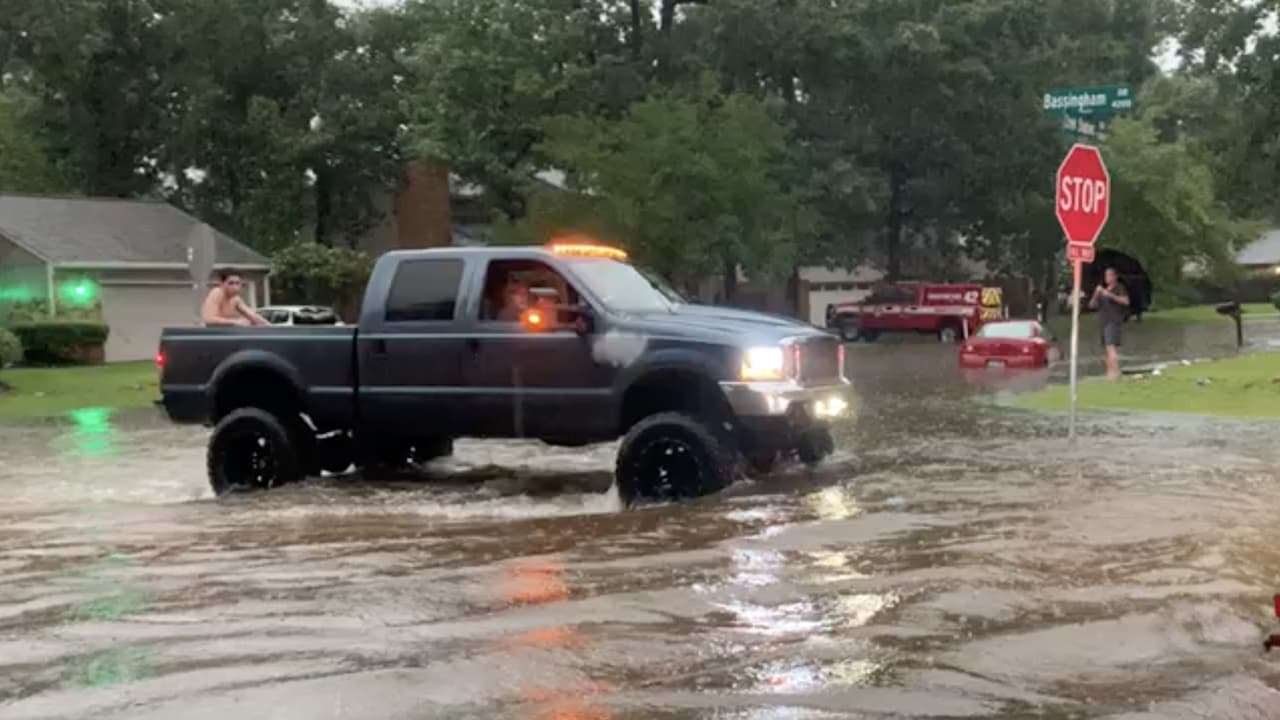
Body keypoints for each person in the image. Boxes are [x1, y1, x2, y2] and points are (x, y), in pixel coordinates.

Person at [1089, 267, 1129, 379]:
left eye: (1110, 275)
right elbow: (1092, 305)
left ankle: (1116, 372)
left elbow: (1126, 301)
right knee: (1106, 349)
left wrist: (1110, 295)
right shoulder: (1103, 290)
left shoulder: (1119, 288)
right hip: (1103, 322)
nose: (1107, 277)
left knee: (1111, 347)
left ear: (1115, 277)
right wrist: (1096, 294)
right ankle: (1109, 374)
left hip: (1114, 321)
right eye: (1106, 275)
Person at [201, 270, 268, 327]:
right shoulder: (217, 293)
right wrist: (236, 321)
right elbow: (209, 319)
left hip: (227, 334)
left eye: (237, 283)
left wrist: (270, 326)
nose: (235, 287)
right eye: (231, 283)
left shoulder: (236, 299)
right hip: (213, 335)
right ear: (222, 283)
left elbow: (253, 316)